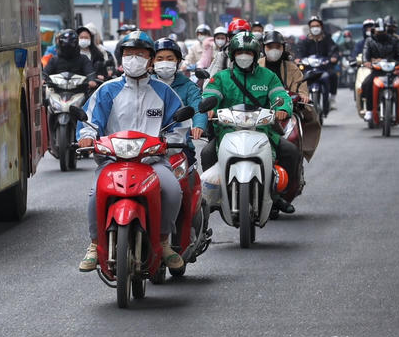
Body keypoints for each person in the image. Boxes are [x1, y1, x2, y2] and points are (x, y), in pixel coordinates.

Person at [76, 30, 186, 272]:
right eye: (128, 53)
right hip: (113, 161)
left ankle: (164, 242)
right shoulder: (106, 90)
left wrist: (170, 141)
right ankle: (95, 245)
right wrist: (86, 138)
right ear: (120, 58)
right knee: (96, 194)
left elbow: (177, 126)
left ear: (150, 60)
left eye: (140, 54)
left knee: (172, 190)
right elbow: (90, 122)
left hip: (153, 161)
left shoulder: (165, 92)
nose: (133, 58)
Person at [200, 32, 299, 214]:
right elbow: (210, 94)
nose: (243, 56)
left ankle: (279, 196)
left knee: (291, 152)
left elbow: (280, 95)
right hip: (227, 131)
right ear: (232, 55)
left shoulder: (268, 76)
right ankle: (214, 198)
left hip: (262, 130)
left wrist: (283, 108)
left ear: (255, 55)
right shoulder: (222, 78)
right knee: (207, 153)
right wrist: (210, 106)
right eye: (239, 53)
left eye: (248, 53)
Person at [261, 28, 320, 168]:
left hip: (287, 111)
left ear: (283, 48)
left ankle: (299, 157)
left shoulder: (292, 68)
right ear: (263, 48)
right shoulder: (256, 66)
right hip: (260, 111)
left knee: (296, 136)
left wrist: (303, 96)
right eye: (270, 46)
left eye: (277, 47)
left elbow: (301, 87)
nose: (274, 50)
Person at [151, 37, 207, 163]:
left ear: (178, 61)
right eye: (160, 59)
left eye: (170, 59)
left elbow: (198, 108)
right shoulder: (146, 85)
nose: (165, 62)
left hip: (180, 145)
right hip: (147, 146)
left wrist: (198, 125)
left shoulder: (188, 86)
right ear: (152, 62)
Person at [361, 16, 399, 124]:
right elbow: (365, 55)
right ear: (374, 30)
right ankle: (369, 110)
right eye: (378, 32)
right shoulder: (369, 41)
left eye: (382, 32)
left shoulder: (394, 40)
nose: (380, 34)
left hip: (394, 71)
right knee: (366, 84)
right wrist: (367, 62)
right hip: (377, 71)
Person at [295, 16, 341, 109]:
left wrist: (334, 57)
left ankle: (332, 98)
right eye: (312, 26)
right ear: (309, 28)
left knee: (333, 75)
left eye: (317, 25)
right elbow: (300, 52)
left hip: (324, 68)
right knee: (298, 79)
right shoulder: (305, 41)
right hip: (309, 69)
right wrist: (298, 58)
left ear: (321, 27)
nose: (315, 28)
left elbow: (334, 50)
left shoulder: (328, 39)